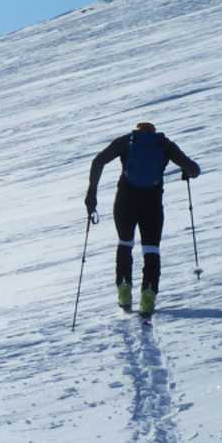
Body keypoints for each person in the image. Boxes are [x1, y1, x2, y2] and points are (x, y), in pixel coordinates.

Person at [84, 122, 200, 318]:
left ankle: (124, 292)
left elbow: (99, 161)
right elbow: (194, 170)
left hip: (125, 202)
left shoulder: (127, 142)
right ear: (153, 132)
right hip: (152, 204)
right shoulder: (164, 144)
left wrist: (91, 194)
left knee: (125, 244)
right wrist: (186, 171)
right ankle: (148, 297)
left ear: (138, 131)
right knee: (151, 250)